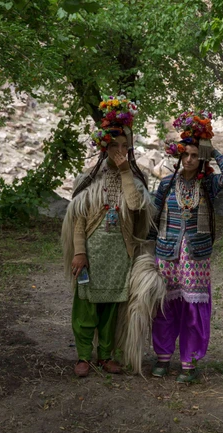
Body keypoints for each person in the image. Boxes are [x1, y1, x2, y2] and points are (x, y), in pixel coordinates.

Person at [62, 95, 164, 377]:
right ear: (104, 146)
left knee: (111, 308)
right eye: (114, 145)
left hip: (121, 253)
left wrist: (125, 172)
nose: (119, 150)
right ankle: (84, 355)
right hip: (93, 254)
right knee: (86, 305)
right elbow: (79, 219)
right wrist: (80, 252)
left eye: (124, 146)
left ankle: (106, 355)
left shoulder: (135, 177)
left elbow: (134, 205)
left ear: (129, 147)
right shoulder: (89, 179)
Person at [150, 110, 223, 382]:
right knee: (164, 305)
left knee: (192, 308)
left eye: (195, 155)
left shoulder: (208, 184)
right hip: (166, 253)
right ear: (179, 156)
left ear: (202, 158)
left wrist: (213, 150)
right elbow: (151, 218)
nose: (189, 160)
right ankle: (163, 358)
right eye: (185, 154)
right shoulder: (166, 185)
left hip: (196, 256)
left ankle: (189, 361)